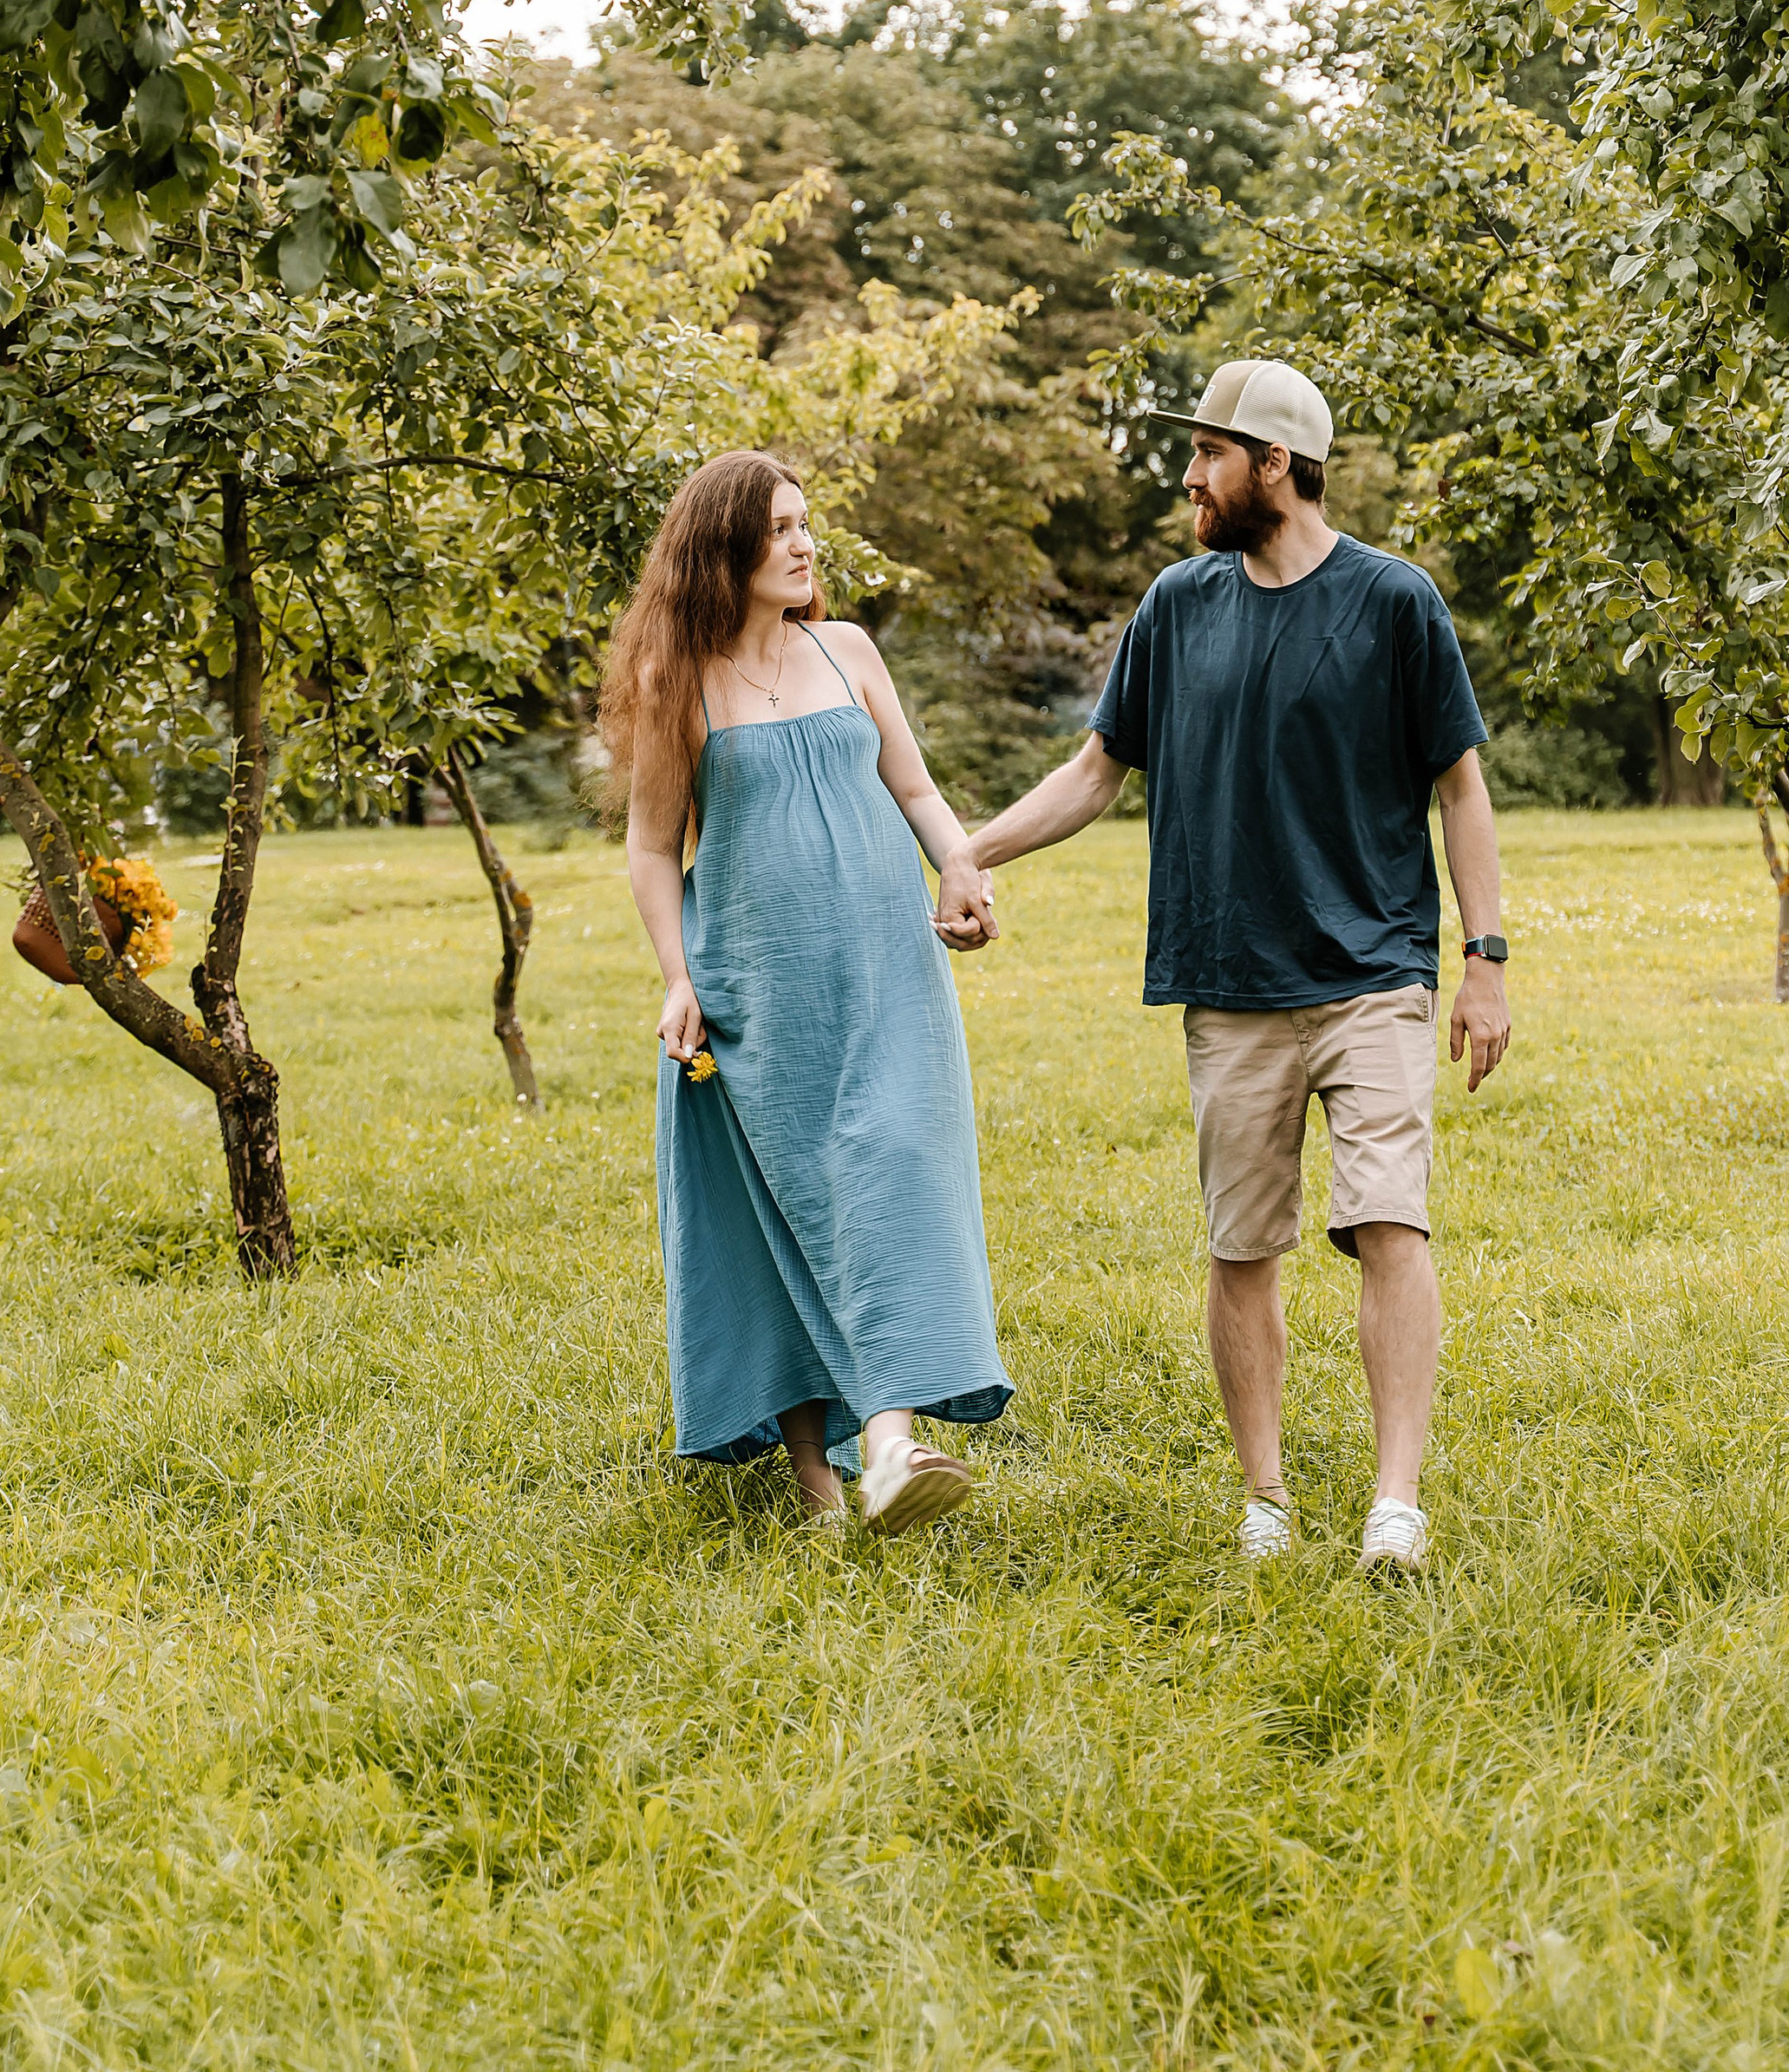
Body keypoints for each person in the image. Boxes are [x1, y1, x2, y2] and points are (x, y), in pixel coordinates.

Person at [946, 358, 1508, 1572]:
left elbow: (1459, 787)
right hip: (1229, 984)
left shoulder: (1394, 602)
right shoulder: (1176, 606)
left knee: (1389, 1222)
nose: (1189, 476)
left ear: (1276, 463)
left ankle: (1395, 1504)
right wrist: (968, 851)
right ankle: (1266, 1500)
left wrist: (1485, 958)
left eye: (1208, 453)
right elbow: (1097, 771)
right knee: (1242, 1249)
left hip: (1374, 972)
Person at [601, 449, 1008, 1537]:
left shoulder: (848, 650)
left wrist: (960, 867)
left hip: (886, 971)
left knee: (890, 1172)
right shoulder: (677, 681)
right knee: (779, 1210)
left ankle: (887, 1441)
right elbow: (650, 847)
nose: (803, 543)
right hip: (756, 985)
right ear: (723, 550)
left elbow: (913, 786)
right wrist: (678, 977)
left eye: (803, 523)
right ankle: (827, 1485)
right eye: (779, 528)